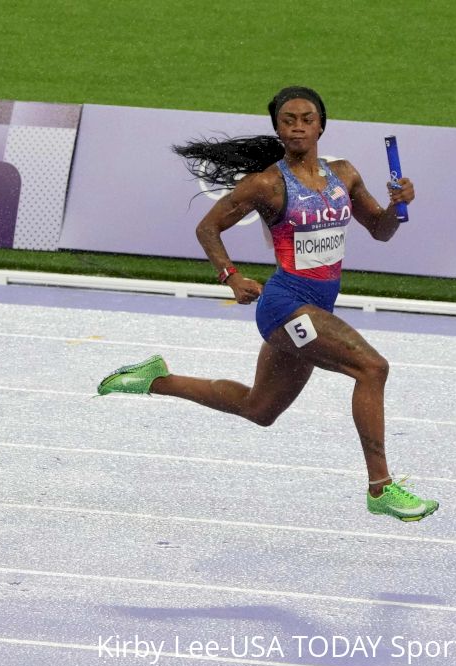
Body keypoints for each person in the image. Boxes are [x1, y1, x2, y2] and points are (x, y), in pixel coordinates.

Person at [97, 86, 437, 522]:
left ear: (321, 125)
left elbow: (382, 230)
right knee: (372, 368)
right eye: (288, 119)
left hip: (316, 310)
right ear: (277, 127)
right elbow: (207, 229)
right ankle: (381, 488)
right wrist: (231, 277)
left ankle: (154, 379)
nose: (297, 126)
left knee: (259, 409)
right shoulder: (267, 185)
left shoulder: (344, 175)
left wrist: (396, 205)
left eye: (306, 118)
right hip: (285, 306)